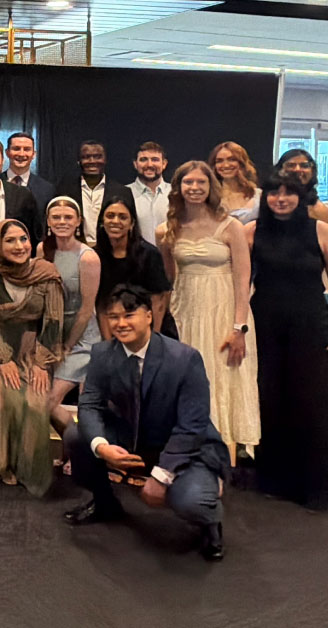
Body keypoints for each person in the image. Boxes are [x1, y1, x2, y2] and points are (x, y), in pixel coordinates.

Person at [63, 284, 229, 562]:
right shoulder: (103, 354)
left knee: (192, 501)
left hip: (185, 449)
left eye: (129, 315)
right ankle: (105, 504)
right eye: (113, 317)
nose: (120, 323)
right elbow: (90, 405)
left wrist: (161, 475)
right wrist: (101, 447)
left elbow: (193, 425)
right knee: (75, 435)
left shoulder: (185, 358)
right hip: (132, 438)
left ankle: (211, 523)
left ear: (149, 316)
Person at [157, 160, 259, 467]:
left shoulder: (231, 227)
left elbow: (243, 280)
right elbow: (170, 278)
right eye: (188, 182)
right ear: (178, 188)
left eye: (201, 182)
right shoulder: (167, 230)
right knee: (188, 382)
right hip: (186, 313)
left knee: (221, 382)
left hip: (224, 315)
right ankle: (187, 456)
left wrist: (239, 327)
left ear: (210, 187)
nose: (195, 188)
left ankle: (221, 463)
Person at [245, 172, 328, 510]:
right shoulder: (252, 233)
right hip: (265, 325)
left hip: (310, 324)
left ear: (300, 196)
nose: (281, 199)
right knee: (270, 398)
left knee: (310, 401)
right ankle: (275, 479)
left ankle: (314, 484)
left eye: (288, 193)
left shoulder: (320, 230)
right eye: (274, 193)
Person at [0, 219, 65, 496]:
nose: (19, 246)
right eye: (10, 240)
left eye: (23, 239)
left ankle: (25, 465)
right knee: (8, 399)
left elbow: (53, 321)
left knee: (35, 400)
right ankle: (3, 464)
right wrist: (2, 358)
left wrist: (40, 362)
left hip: (33, 350)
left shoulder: (46, 273)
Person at [37, 197, 101, 440]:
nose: (62, 222)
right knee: (40, 400)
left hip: (81, 339)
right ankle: (72, 453)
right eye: (56, 217)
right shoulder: (43, 250)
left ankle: (83, 450)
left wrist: (67, 345)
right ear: (48, 222)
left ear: (78, 222)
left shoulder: (88, 258)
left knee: (50, 400)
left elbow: (86, 309)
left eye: (68, 217)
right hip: (52, 335)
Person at [93, 195, 176, 340]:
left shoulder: (149, 254)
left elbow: (159, 301)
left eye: (122, 217)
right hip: (114, 328)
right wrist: (109, 344)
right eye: (110, 216)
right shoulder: (95, 256)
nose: (115, 221)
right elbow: (101, 305)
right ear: (102, 221)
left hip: (152, 329)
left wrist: (151, 341)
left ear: (132, 223)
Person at [56, 140, 136, 242]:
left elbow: (131, 228)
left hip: (111, 251)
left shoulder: (122, 192)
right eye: (86, 157)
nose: (92, 161)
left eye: (98, 157)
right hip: (74, 250)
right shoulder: (65, 190)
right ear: (78, 161)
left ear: (105, 159)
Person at [128, 141, 171, 244]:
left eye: (155, 160)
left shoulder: (176, 193)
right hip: (136, 258)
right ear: (135, 164)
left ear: (164, 164)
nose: (149, 164)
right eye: (143, 160)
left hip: (171, 257)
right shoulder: (124, 193)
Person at [1, 132, 55, 212]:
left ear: (34, 154)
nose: (21, 154)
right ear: (7, 153)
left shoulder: (47, 190)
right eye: (16, 149)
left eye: (27, 149)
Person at [209, 141, 261, 222]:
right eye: (219, 161)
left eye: (232, 159)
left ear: (242, 163)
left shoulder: (258, 195)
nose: (226, 165)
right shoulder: (209, 197)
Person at [277, 148, 328, 221]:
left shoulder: (319, 210)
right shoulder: (266, 198)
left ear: (312, 171)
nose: (297, 169)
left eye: (304, 165)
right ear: (279, 170)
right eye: (290, 165)